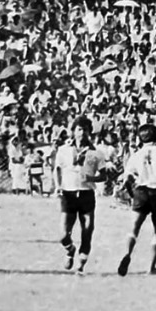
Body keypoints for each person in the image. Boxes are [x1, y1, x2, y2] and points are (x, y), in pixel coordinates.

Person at [117, 123, 156, 276]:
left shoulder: (136, 155)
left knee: (134, 229)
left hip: (141, 191)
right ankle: (151, 267)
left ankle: (127, 253)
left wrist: (132, 194)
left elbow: (128, 178)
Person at [53, 117, 103, 273]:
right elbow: (57, 169)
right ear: (73, 131)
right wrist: (57, 186)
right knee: (63, 234)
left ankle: (81, 265)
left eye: (86, 130)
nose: (83, 133)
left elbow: (104, 175)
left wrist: (91, 178)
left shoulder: (96, 152)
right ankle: (70, 250)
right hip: (68, 193)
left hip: (87, 194)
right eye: (80, 129)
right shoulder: (64, 149)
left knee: (87, 230)